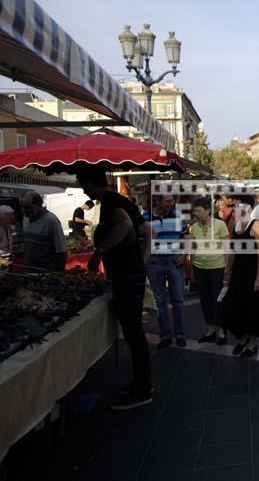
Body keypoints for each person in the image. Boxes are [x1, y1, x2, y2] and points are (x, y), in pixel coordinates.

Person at [77, 165, 152, 410]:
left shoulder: (111, 201)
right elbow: (146, 230)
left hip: (127, 276)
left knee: (133, 333)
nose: (83, 189)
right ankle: (141, 383)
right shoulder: (117, 200)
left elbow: (126, 224)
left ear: (89, 183)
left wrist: (100, 251)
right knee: (133, 334)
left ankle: (142, 389)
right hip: (131, 273)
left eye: (83, 184)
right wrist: (142, 260)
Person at [222, 195, 259, 358]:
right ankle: (242, 338)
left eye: (237, 205)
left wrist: (258, 278)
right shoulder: (235, 225)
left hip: (252, 272)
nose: (235, 208)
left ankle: (253, 344)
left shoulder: (255, 224)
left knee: (253, 309)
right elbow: (233, 251)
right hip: (238, 273)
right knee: (236, 306)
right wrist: (227, 271)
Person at [143, 194, 187, 349]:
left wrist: (183, 254)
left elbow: (185, 236)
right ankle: (166, 335)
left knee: (178, 300)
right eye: (168, 200)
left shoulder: (178, 215)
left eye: (172, 200)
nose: (172, 203)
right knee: (160, 301)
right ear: (157, 201)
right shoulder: (146, 217)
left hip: (174, 260)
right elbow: (142, 239)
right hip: (154, 262)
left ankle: (180, 334)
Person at [188, 197, 230, 344]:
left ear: (207, 210)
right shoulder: (194, 227)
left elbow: (227, 248)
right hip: (200, 267)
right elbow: (193, 248)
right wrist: (191, 268)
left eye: (199, 211)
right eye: (195, 212)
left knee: (218, 299)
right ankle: (210, 329)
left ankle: (221, 331)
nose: (196, 214)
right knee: (205, 300)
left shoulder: (220, 225)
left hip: (218, 267)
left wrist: (227, 269)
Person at [19, 191, 67, 273]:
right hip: (29, 272)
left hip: (46, 274)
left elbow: (62, 251)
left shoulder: (51, 221)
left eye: (27, 207)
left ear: (38, 205)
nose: (23, 210)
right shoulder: (26, 217)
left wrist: (58, 274)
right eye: (22, 207)